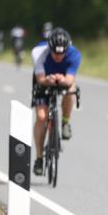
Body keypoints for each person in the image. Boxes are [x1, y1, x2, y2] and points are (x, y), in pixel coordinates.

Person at [31, 28, 81, 176]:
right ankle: (39, 158)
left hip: (64, 79)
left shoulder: (75, 54)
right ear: (49, 48)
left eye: (62, 53)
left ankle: (65, 122)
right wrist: (49, 80)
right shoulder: (39, 52)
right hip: (44, 79)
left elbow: (70, 80)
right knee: (41, 117)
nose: (58, 56)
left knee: (70, 89)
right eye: (55, 53)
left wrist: (62, 80)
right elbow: (40, 79)